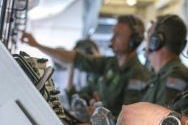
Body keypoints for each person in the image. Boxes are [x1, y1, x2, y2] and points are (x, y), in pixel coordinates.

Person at [21, 15, 151, 117]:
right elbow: (75, 58)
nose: (112, 39)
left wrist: (100, 111)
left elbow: (129, 121)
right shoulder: (109, 64)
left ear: (134, 41)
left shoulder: (138, 75)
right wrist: (37, 45)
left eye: (118, 35)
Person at [141, 14, 188, 106]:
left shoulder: (175, 76)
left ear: (155, 41)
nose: (146, 40)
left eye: (149, 34)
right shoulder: (159, 76)